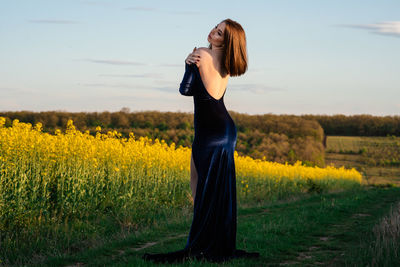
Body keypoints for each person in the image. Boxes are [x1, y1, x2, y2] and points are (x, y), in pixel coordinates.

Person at [142, 18, 260, 264]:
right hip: (223, 131)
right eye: (215, 28)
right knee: (213, 190)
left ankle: (201, 245)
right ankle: (212, 242)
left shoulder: (202, 54)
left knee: (200, 188)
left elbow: (186, 90)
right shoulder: (225, 63)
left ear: (225, 41)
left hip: (211, 133)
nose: (212, 33)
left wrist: (187, 65)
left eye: (219, 33)